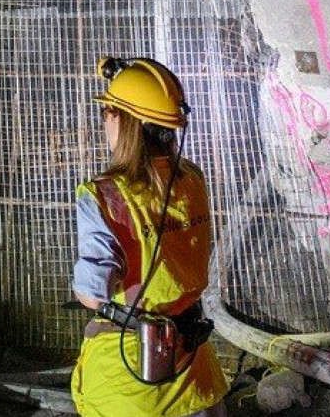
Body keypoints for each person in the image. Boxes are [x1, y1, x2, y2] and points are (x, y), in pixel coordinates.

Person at [70, 57, 229, 417]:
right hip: (194, 376)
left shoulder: (103, 196)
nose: (105, 119)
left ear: (126, 122)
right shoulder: (193, 181)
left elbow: (93, 293)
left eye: (109, 111)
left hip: (131, 377)